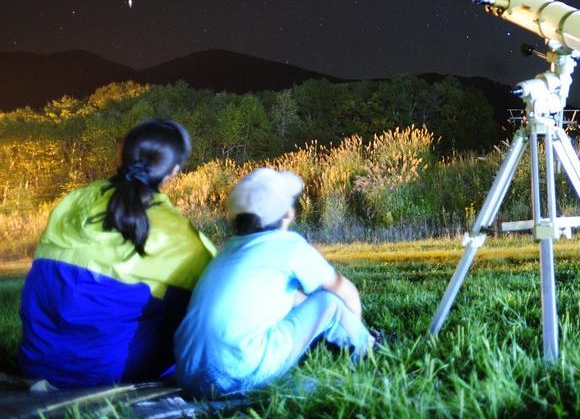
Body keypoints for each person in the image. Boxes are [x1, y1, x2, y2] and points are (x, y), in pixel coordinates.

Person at [19, 118, 216, 387]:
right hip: (102, 377)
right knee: (199, 301)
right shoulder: (178, 233)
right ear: (173, 172)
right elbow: (218, 289)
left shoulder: (75, 200)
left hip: (36, 363)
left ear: (120, 154)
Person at [174, 167, 374, 395]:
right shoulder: (288, 245)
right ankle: (369, 349)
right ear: (287, 214)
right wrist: (356, 329)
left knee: (306, 303)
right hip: (242, 370)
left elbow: (292, 299)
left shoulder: (228, 251)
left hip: (190, 375)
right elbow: (343, 290)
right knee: (329, 302)